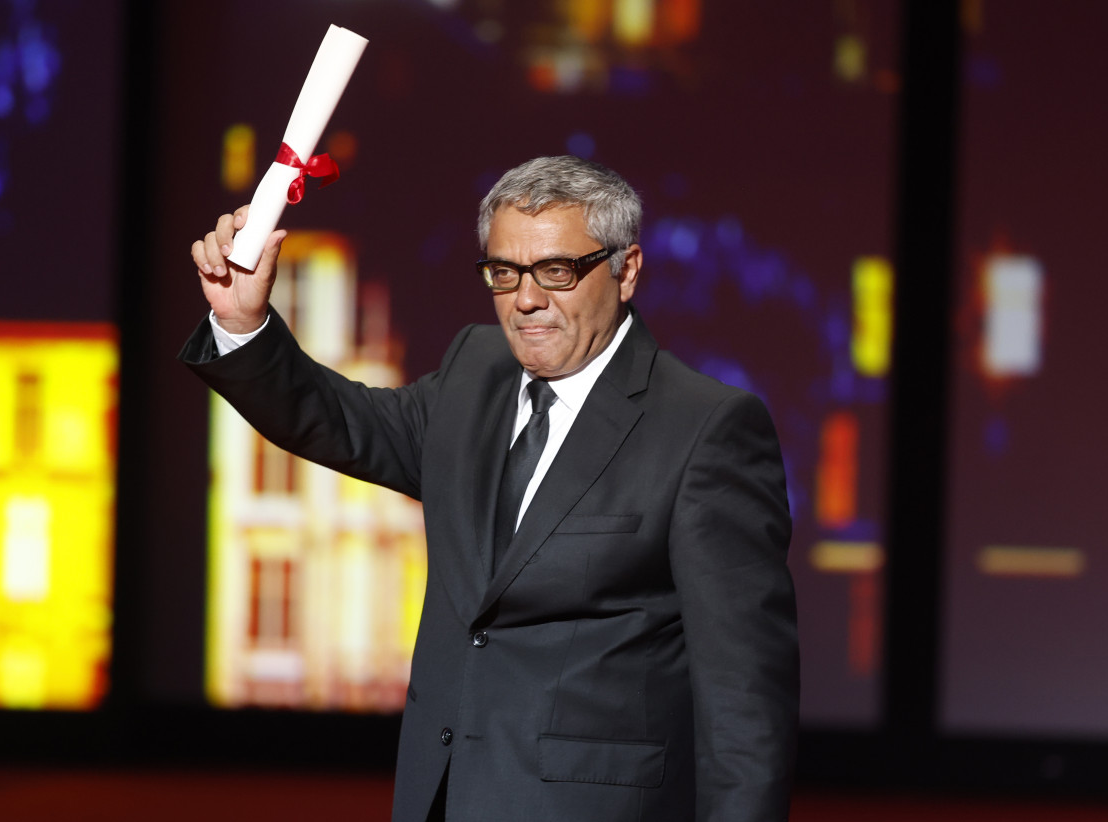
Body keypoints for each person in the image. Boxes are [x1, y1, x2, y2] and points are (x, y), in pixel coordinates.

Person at [181, 155, 799, 822]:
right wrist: (242, 323)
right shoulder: (475, 371)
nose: (526, 299)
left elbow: (745, 704)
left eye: (556, 271)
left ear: (626, 271)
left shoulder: (704, 429)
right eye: (504, 274)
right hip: (444, 798)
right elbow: (341, 422)